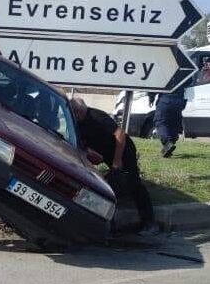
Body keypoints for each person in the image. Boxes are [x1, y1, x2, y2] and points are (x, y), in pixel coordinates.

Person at [70, 98, 158, 236]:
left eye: (73, 114)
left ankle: (150, 223)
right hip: (107, 154)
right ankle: (109, 225)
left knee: (133, 183)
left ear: (78, 112)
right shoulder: (79, 124)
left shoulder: (97, 117)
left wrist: (117, 161)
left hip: (123, 151)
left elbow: (120, 135)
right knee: (112, 183)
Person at [149, 80, 189, 158]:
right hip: (179, 101)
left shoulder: (164, 71)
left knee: (160, 122)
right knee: (174, 124)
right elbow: (189, 81)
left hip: (165, 99)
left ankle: (168, 143)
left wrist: (151, 97)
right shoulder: (183, 70)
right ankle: (168, 147)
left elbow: (155, 83)